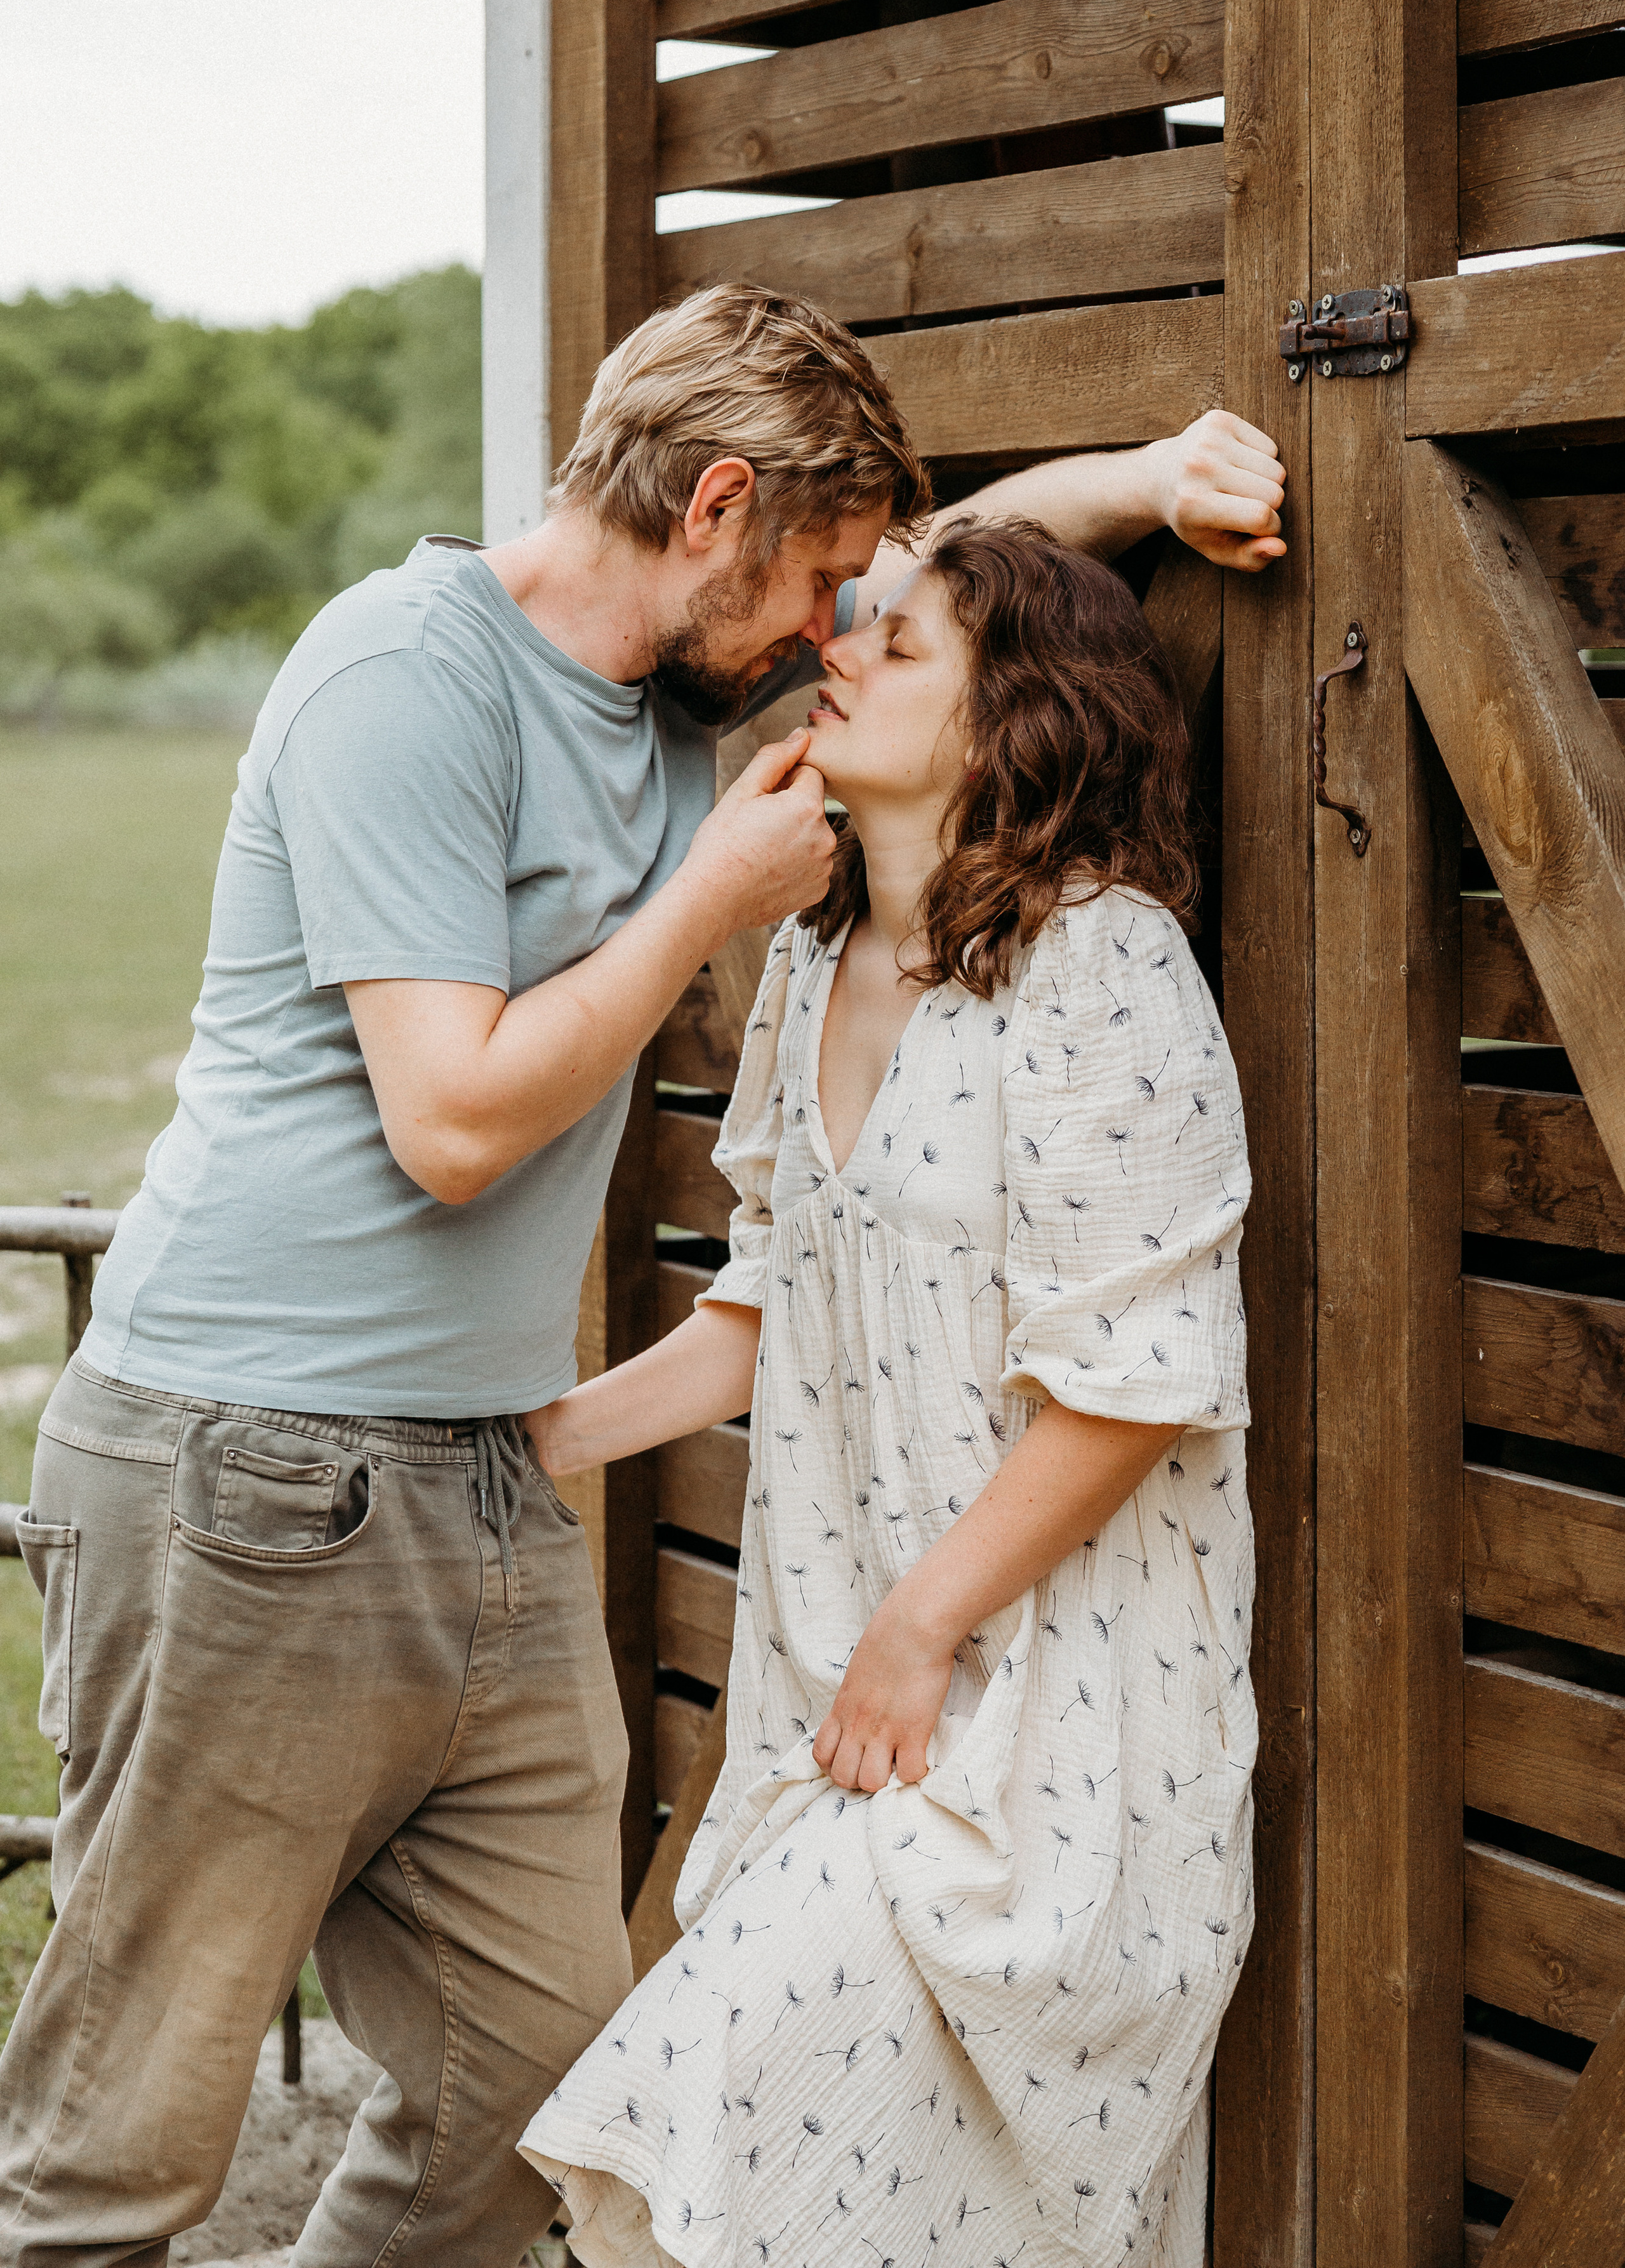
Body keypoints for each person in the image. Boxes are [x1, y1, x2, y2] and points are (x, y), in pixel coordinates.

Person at [3, 282, 1283, 2267]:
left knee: (531, 2086)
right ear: (715, 510)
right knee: (125, 2135)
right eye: (824, 582)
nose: (833, 634)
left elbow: (959, 593)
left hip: (480, 1478)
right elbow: (450, 1120)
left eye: (865, 611)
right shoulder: (405, 679)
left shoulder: (687, 705)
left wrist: (1146, 480)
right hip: (249, 1462)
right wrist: (706, 900)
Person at [521, 519, 1254, 2268]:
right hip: (840, 1695)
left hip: (1048, 1724)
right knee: (815, 2204)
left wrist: (920, 1632)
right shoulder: (812, 957)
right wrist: (533, 1441)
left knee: (707, 2116)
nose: (835, 653)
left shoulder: (1104, 965)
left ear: (1018, 723)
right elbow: (768, 1297)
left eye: (899, 644)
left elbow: (1136, 1382)